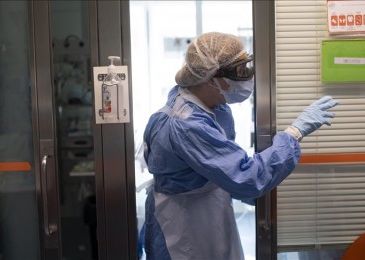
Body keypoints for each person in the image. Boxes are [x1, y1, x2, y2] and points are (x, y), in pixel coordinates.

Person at [142, 32, 339, 260]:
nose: (248, 77)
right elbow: (245, 177)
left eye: (248, 66)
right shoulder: (187, 124)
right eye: (240, 70)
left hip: (205, 210)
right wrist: (294, 133)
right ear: (210, 78)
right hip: (185, 226)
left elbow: (222, 165)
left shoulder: (210, 105)